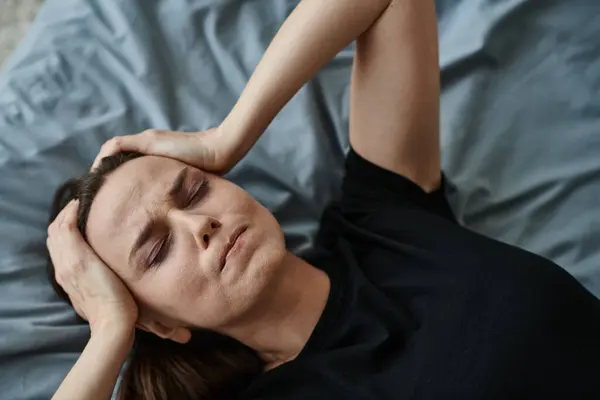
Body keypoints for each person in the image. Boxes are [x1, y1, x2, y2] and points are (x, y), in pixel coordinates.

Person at [46, 0, 600, 399]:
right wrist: (111, 332)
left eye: (194, 190)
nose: (199, 224)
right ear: (162, 324)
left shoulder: (382, 218)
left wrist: (226, 136)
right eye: (157, 249)